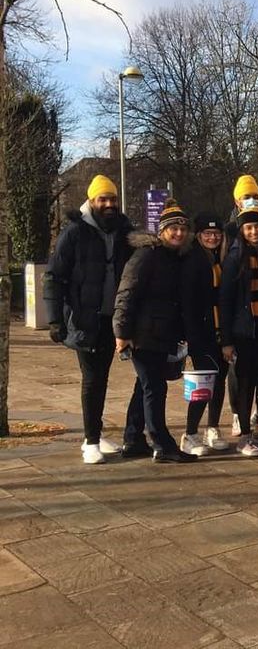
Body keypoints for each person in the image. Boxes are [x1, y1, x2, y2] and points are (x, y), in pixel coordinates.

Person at [44, 175, 134, 464]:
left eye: (112, 199)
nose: (108, 204)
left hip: (113, 319)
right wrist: (54, 319)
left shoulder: (122, 231)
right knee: (92, 379)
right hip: (85, 319)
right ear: (92, 201)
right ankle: (90, 441)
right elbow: (55, 277)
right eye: (102, 199)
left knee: (102, 377)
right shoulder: (74, 232)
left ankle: (93, 433)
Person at [113, 199, 196, 463]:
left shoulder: (174, 257)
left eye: (183, 229)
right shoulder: (147, 255)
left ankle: (133, 438)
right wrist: (122, 333)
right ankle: (162, 444)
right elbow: (126, 293)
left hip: (161, 333)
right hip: (144, 334)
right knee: (154, 388)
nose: (179, 233)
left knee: (145, 386)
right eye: (173, 228)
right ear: (162, 230)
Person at [220, 206, 258, 457]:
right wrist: (227, 340)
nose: (254, 231)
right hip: (244, 330)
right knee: (244, 384)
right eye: (249, 227)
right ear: (242, 230)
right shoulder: (234, 258)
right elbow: (226, 300)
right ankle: (244, 434)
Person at [179, 211, 232, 456]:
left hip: (221, 331)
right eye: (208, 234)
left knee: (219, 380)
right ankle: (190, 433)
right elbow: (189, 301)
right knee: (203, 382)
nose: (213, 238)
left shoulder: (221, 258)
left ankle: (212, 427)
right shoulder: (192, 260)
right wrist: (191, 335)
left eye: (216, 234)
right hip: (201, 331)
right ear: (199, 236)